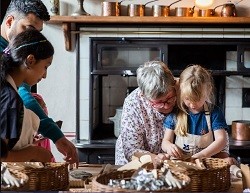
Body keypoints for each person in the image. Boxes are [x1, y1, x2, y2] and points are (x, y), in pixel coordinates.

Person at [0, 0, 78, 165]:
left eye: (39, 32)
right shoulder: (11, 90)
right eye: (28, 29)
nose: (35, 37)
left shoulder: (17, 63)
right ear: (9, 22)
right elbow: (21, 97)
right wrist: (33, 151)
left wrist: (57, 137)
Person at [0, 29, 54, 161]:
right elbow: (2, 157)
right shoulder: (9, 98)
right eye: (45, 67)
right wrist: (34, 153)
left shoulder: (7, 90)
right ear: (30, 60)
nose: (45, 75)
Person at [115, 61, 177, 165]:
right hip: (137, 163)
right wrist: (156, 158)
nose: (166, 106)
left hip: (171, 162)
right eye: (159, 103)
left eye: (169, 99)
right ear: (144, 96)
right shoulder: (133, 103)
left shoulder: (184, 89)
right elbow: (131, 150)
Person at [162, 65, 229, 160]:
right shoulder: (176, 113)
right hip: (180, 165)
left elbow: (221, 140)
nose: (192, 104)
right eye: (187, 99)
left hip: (205, 165)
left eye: (197, 99)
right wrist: (168, 146)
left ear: (208, 90)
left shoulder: (214, 113)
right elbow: (165, 142)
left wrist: (203, 155)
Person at [32, 93, 55, 162]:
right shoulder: (23, 131)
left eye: (44, 106)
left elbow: (50, 161)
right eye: (40, 108)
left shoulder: (44, 133)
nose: (44, 110)